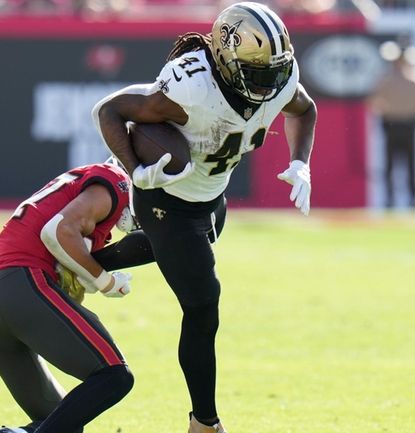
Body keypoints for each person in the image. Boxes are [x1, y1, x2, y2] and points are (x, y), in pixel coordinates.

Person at [90, 2, 317, 432]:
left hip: (211, 196)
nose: (268, 85)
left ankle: (80, 263)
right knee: (202, 304)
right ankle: (205, 423)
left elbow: (304, 110)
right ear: (227, 61)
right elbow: (110, 110)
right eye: (258, 74)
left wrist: (301, 161)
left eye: (274, 73)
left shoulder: (279, 75)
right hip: (166, 199)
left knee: (177, 253)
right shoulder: (192, 85)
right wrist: (135, 170)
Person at [0, 163, 137, 433]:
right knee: (115, 375)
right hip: (22, 287)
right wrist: (104, 280)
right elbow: (58, 230)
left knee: (63, 425)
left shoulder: (81, 188)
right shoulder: (115, 183)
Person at [369, 38, 415, 208]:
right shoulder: (414, 78)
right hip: (395, 123)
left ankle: (411, 199)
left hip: (403, 123)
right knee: (394, 166)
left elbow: (374, 101)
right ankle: (393, 200)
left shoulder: (395, 78)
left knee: (408, 166)